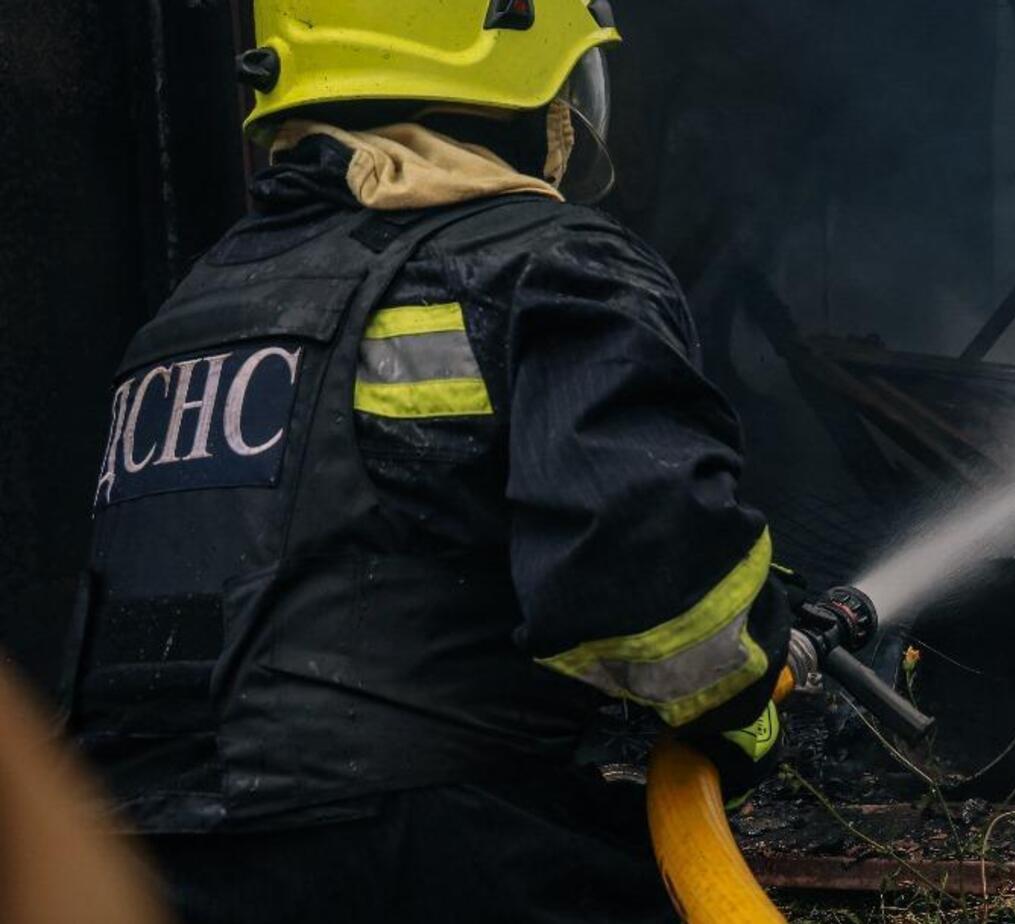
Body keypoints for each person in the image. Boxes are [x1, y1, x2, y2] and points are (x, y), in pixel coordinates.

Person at [66, 2, 794, 920]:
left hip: (141, 860)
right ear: (519, 67)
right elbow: (647, 579)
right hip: (415, 849)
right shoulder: (544, 262)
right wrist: (744, 694)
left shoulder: (189, 315)